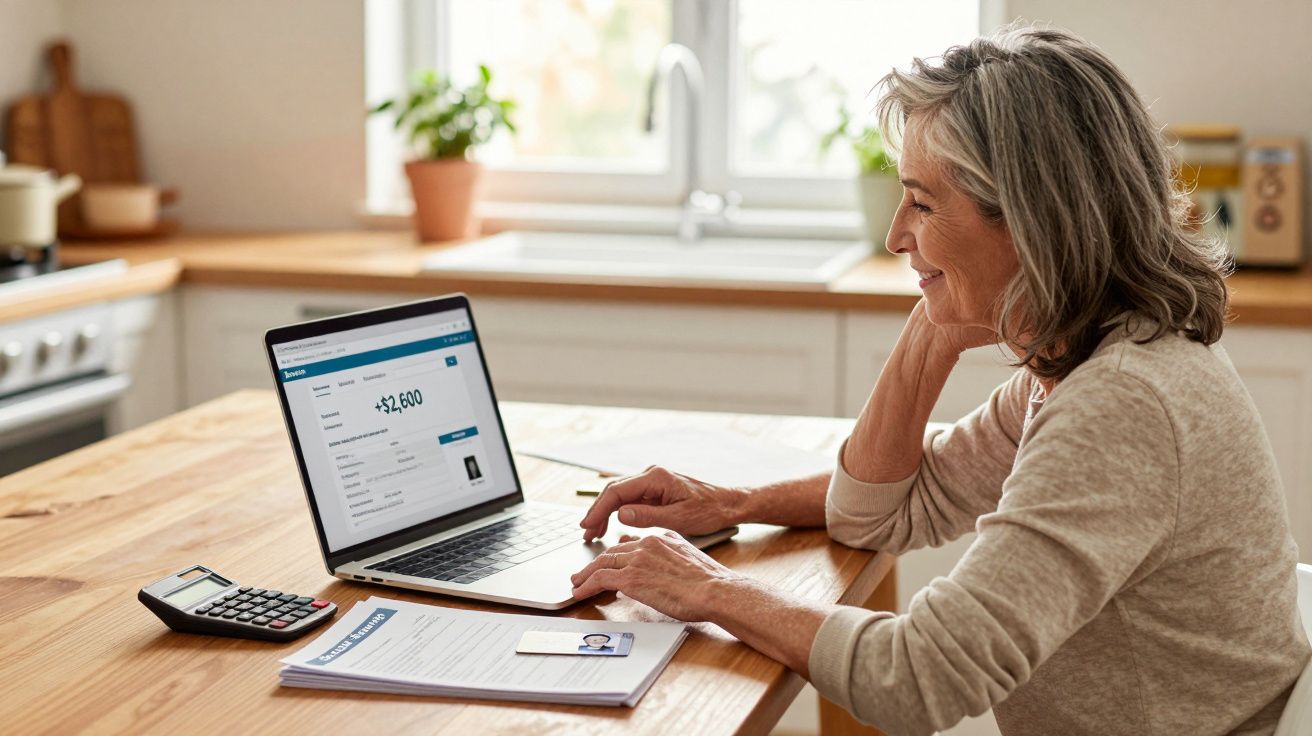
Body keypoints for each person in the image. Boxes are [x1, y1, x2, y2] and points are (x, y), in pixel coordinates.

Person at [569, 25, 1310, 736]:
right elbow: (878, 513)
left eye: (921, 204)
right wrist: (738, 502)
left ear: (1029, 220)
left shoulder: (1124, 403)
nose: (895, 236)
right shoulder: (1099, 353)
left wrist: (708, 589)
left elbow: (919, 678)